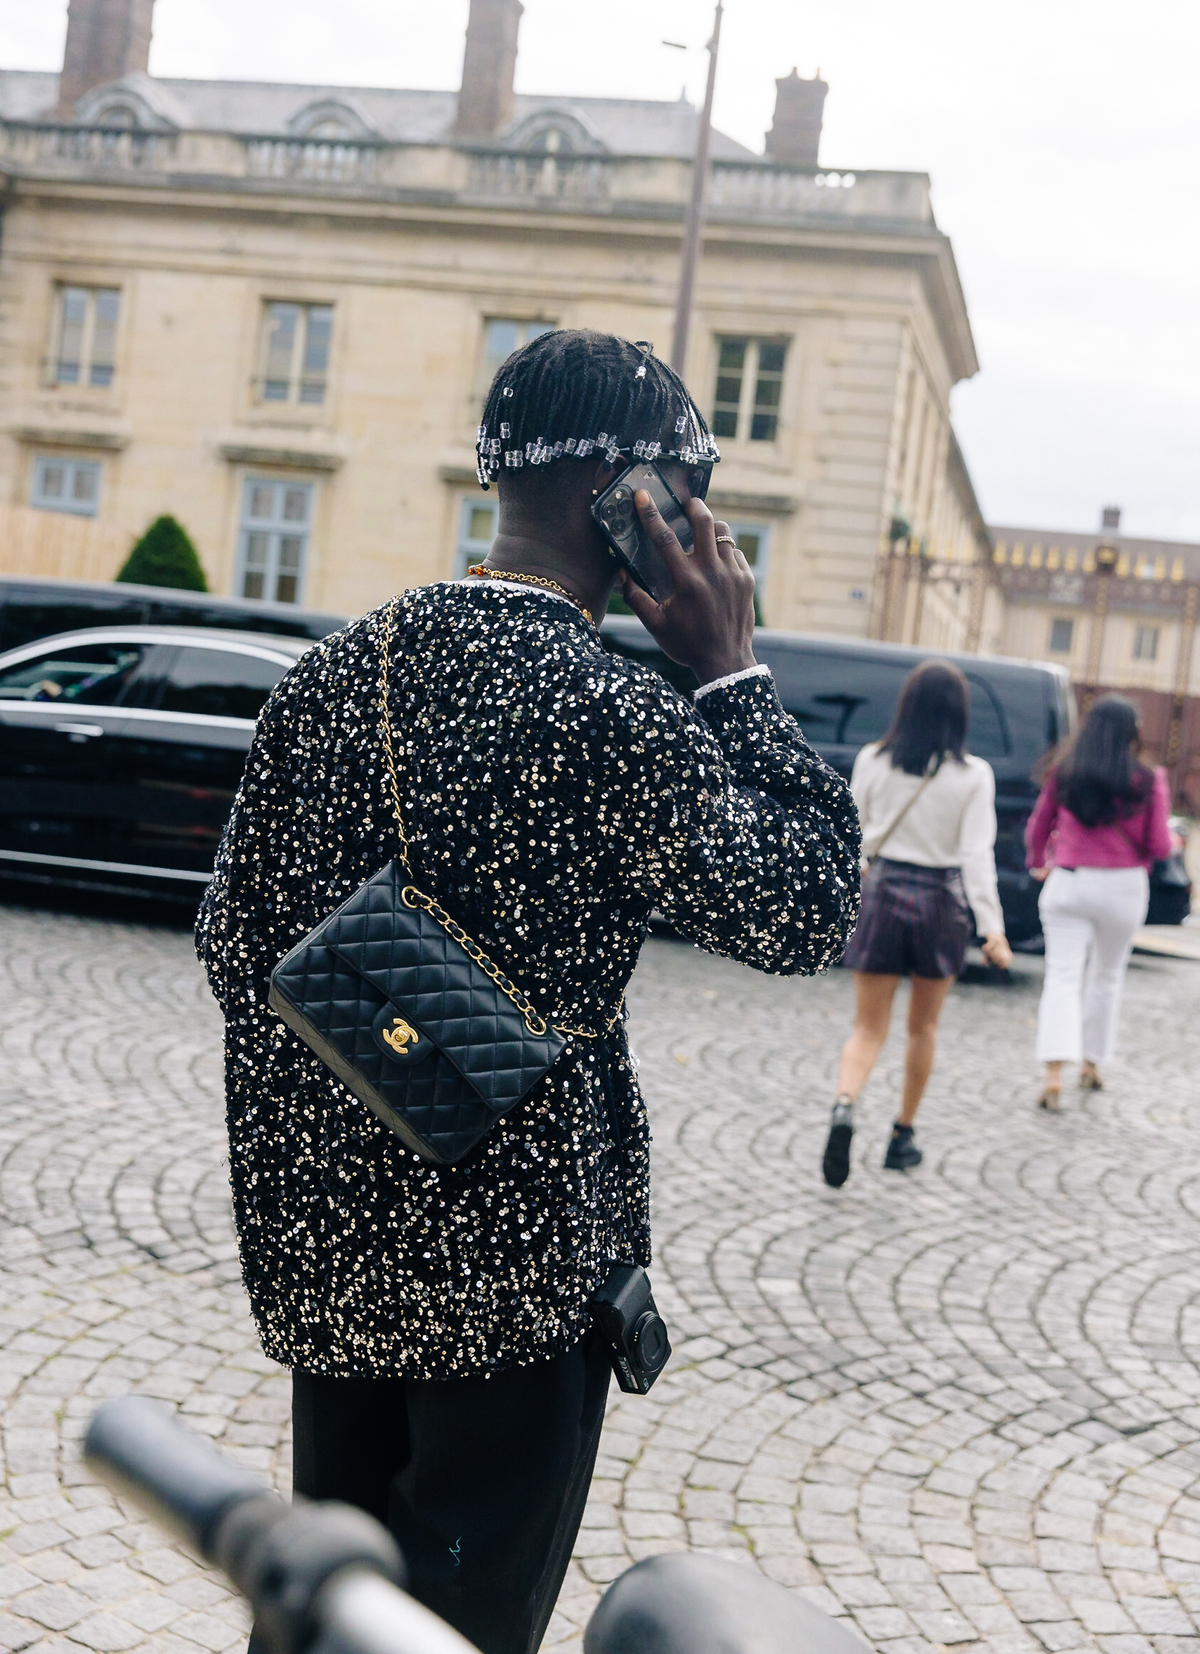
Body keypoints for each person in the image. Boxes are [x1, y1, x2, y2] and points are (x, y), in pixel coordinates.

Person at [197, 328, 860, 1654]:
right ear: (633, 495)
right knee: (458, 1630)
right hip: (519, 1282)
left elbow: (232, 944)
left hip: (330, 1266)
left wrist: (394, 1053)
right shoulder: (611, 710)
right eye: (694, 489)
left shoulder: (335, 676)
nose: (708, 525)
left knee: (328, 1607)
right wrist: (731, 670)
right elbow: (807, 903)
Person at [821, 660, 1012, 1188]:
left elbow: (851, 839)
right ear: (959, 714)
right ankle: (902, 1136)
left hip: (881, 894)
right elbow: (977, 855)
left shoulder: (873, 760)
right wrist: (992, 928)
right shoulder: (974, 776)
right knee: (921, 1028)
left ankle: (844, 1103)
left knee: (867, 1027)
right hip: (939, 903)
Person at [1025, 693, 1172, 1108]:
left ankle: (1054, 1074)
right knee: (1106, 978)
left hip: (1070, 882)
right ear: (1132, 732)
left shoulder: (1065, 771)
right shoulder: (1147, 779)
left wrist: (1039, 862)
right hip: (1123, 888)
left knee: (1062, 977)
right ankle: (1091, 1064)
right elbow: (1160, 845)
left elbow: (1038, 828)